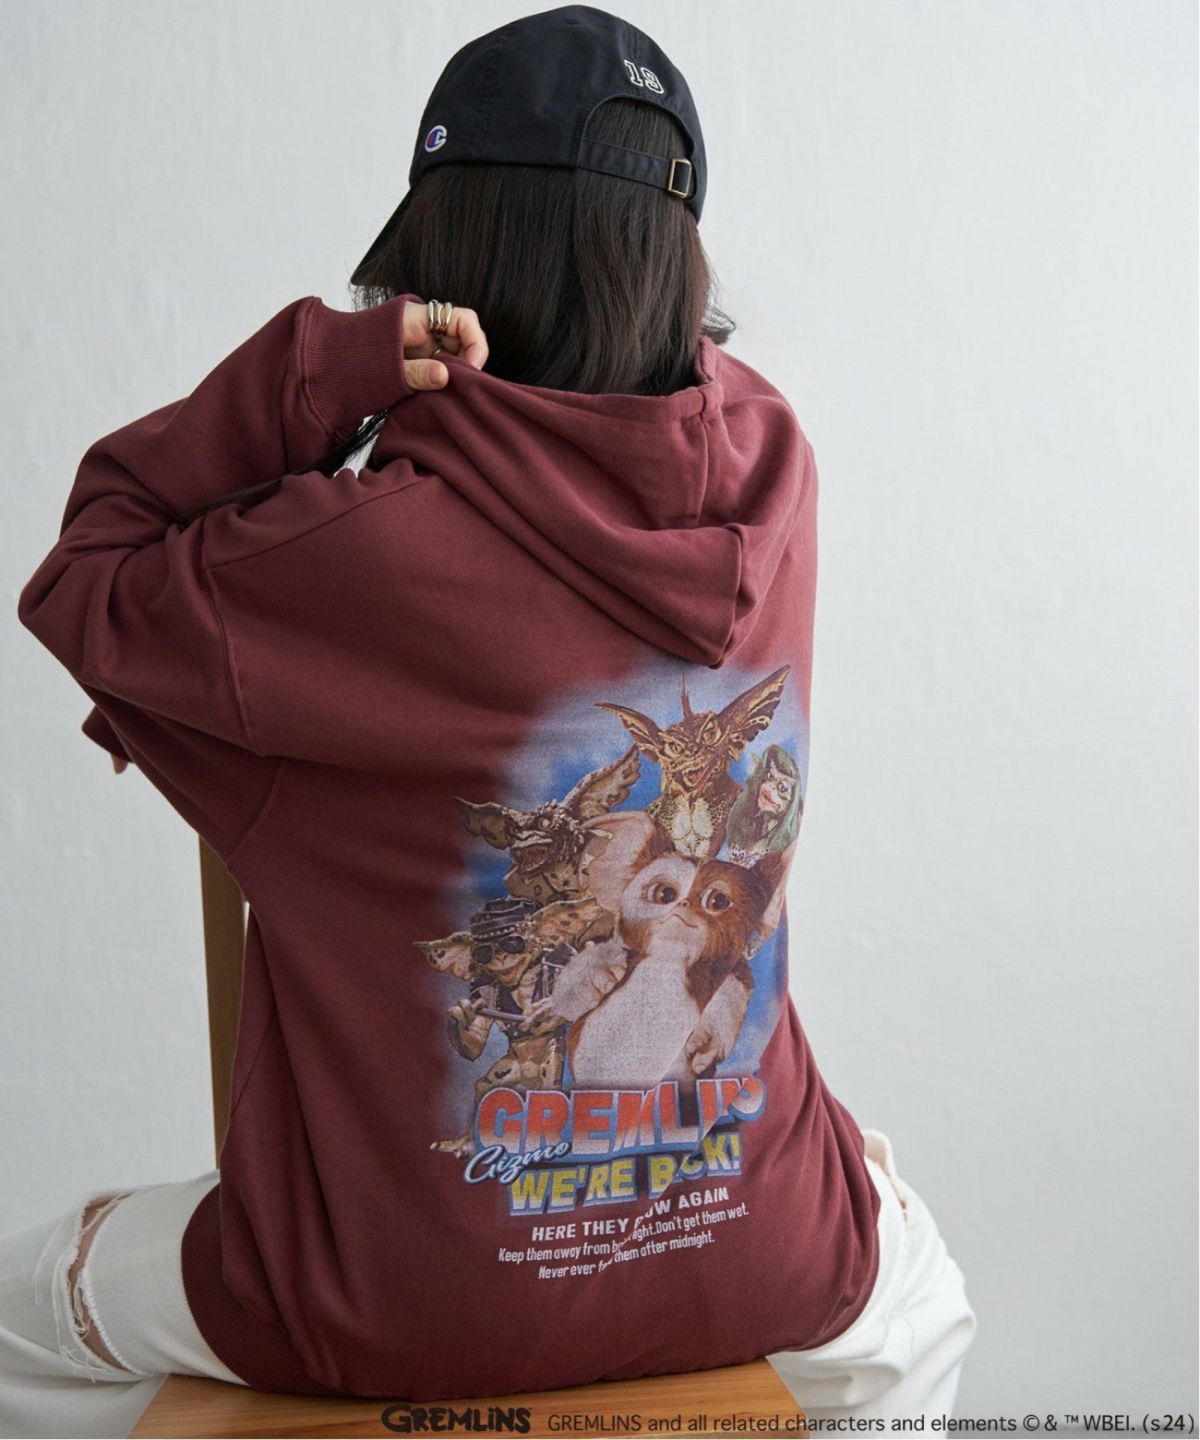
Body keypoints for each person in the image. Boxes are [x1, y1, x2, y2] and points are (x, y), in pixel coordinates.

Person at [2, 6, 977, 1437]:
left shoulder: (334, 561)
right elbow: (697, 380)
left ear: (439, 247)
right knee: (920, 1298)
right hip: (757, 1239)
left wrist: (318, 370)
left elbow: (86, 570)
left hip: (390, 1294)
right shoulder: (775, 474)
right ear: (677, 252)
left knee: (22, 1312)